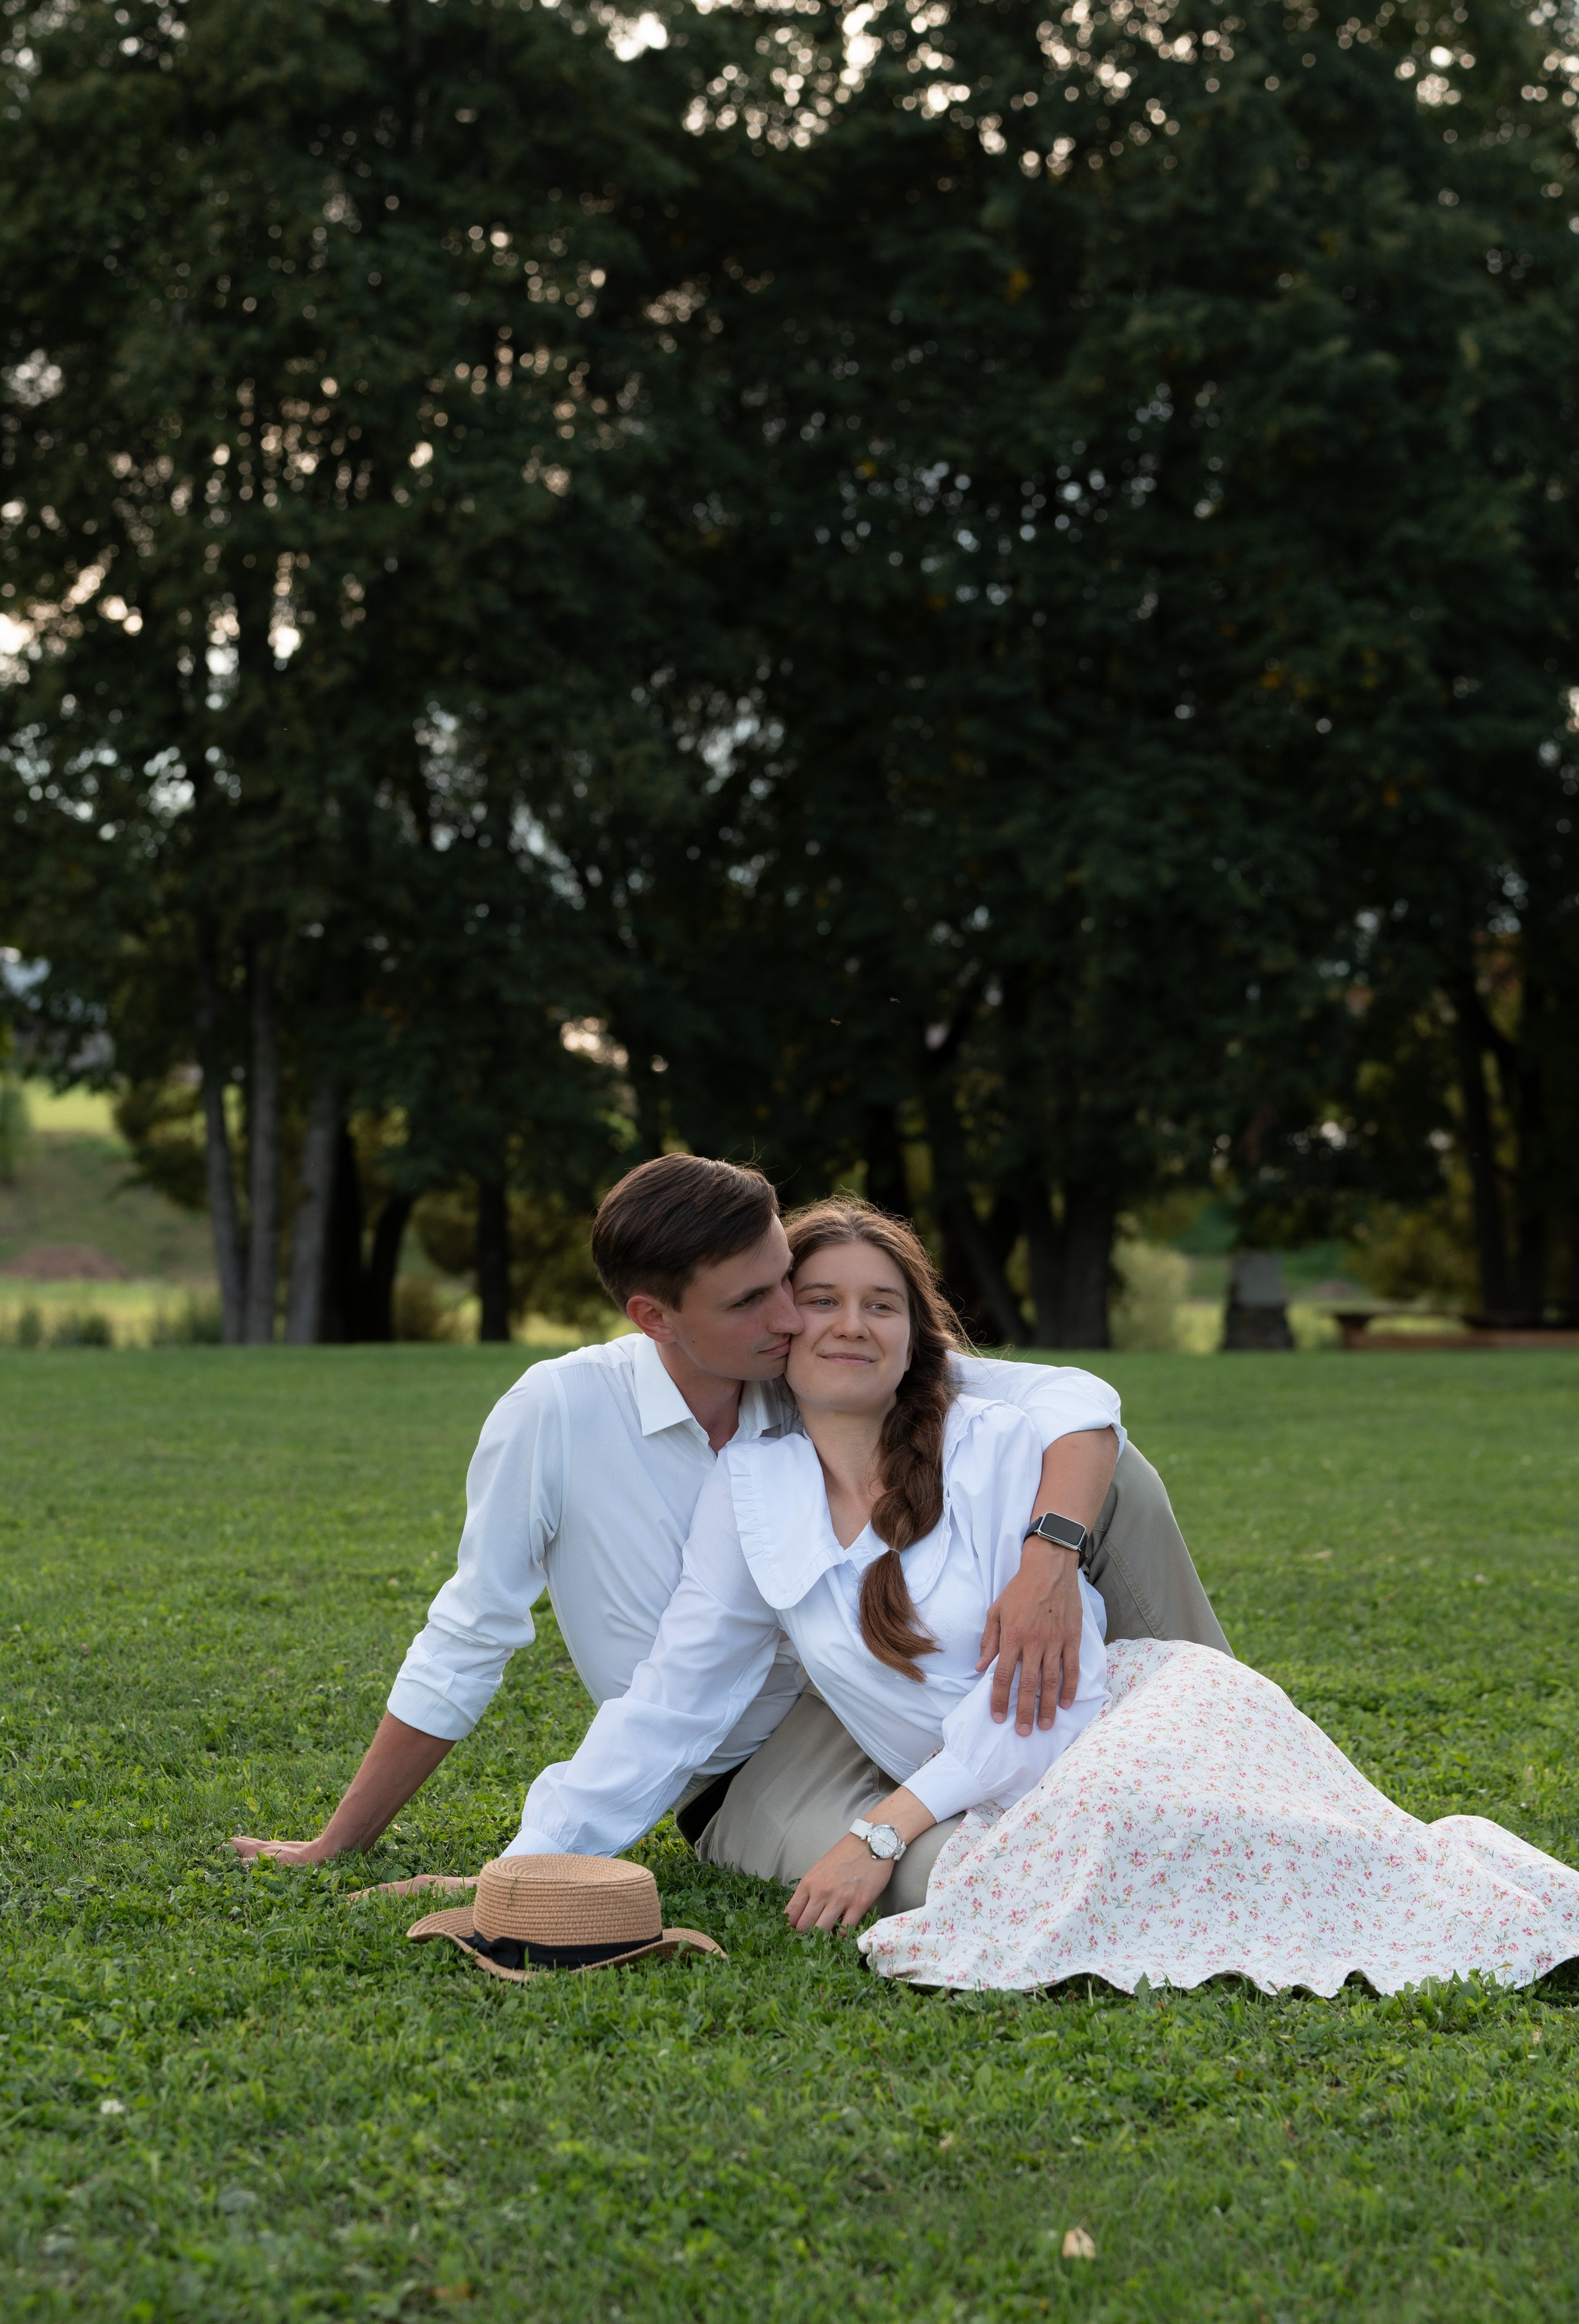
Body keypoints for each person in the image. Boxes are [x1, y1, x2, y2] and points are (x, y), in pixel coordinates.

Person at [496, 1202, 1579, 1993]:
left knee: (1306, 1872)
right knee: (1021, 1873)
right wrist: (531, 1858)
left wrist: (882, 1828)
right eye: (818, 1300)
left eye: (881, 1305)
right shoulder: (754, 1491)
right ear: (780, 1332)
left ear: (916, 1334)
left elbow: (1043, 1704)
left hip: (1129, 1729)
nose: (847, 1324)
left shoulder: (991, 1445)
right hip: (1006, 1790)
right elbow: (672, 1699)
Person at [231, 1156, 1226, 1873]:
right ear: (655, 1317)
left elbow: (1070, 1401)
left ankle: (1228, 1752)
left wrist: (1049, 1560)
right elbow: (480, 1636)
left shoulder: (814, 1363)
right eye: (757, 1301)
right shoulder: (562, 1412)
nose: (795, 1319)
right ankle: (1096, 1866)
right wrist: (345, 1841)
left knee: (1109, 1471)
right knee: (943, 1868)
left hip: (890, 1677)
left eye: (785, 1282)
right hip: (752, 1758)